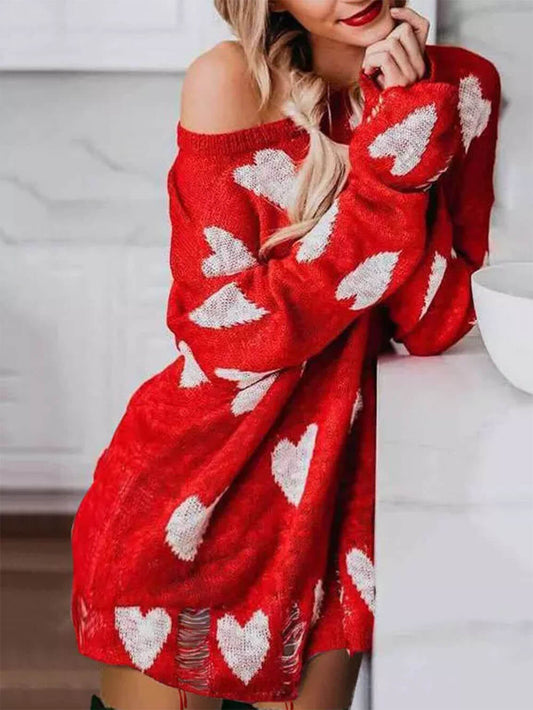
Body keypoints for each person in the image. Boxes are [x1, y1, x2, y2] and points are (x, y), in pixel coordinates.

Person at [70, 1, 502, 708]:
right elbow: (229, 331)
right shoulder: (230, 81)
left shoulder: (458, 87)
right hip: (200, 487)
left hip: (334, 502)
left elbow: (433, 322)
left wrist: (404, 119)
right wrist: (385, 182)